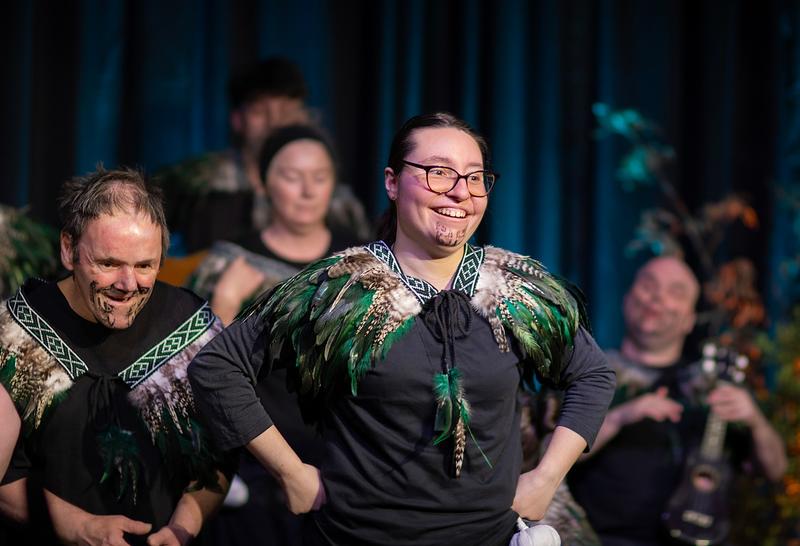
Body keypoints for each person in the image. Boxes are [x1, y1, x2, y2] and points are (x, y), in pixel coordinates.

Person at [188, 112, 616, 545]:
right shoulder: (340, 287)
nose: (459, 191)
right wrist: (290, 472)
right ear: (392, 182)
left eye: (474, 177)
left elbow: (593, 374)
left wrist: (546, 476)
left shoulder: (512, 289)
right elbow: (218, 368)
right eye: (438, 173)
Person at [0, 167, 232, 546]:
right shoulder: (17, 333)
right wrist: (80, 528)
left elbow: (219, 457)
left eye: (145, 266)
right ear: (68, 249)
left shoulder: (192, 329)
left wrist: (183, 528)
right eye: (108, 264)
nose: (128, 285)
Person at [188, 124, 361, 546]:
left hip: (345, 453)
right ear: (263, 182)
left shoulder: (362, 262)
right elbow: (193, 368)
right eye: (291, 176)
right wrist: (227, 299)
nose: (306, 190)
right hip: (256, 457)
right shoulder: (232, 260)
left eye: (319, 178)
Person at [567, 255, 788, 546]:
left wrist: (756, 422)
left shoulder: (709, 390)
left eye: (676, 292)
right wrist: (622, 416)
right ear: (627, 299)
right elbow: (547, 462)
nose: (658, 297)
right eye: (649, 285)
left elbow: (775, 470)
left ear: (689, 320)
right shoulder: (585, 374)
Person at [158, 57, 370, 258]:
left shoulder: (336, 201)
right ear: (238, 119)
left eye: (286, 111)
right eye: (260, 112)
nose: (275, 122)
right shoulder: (202, 181)